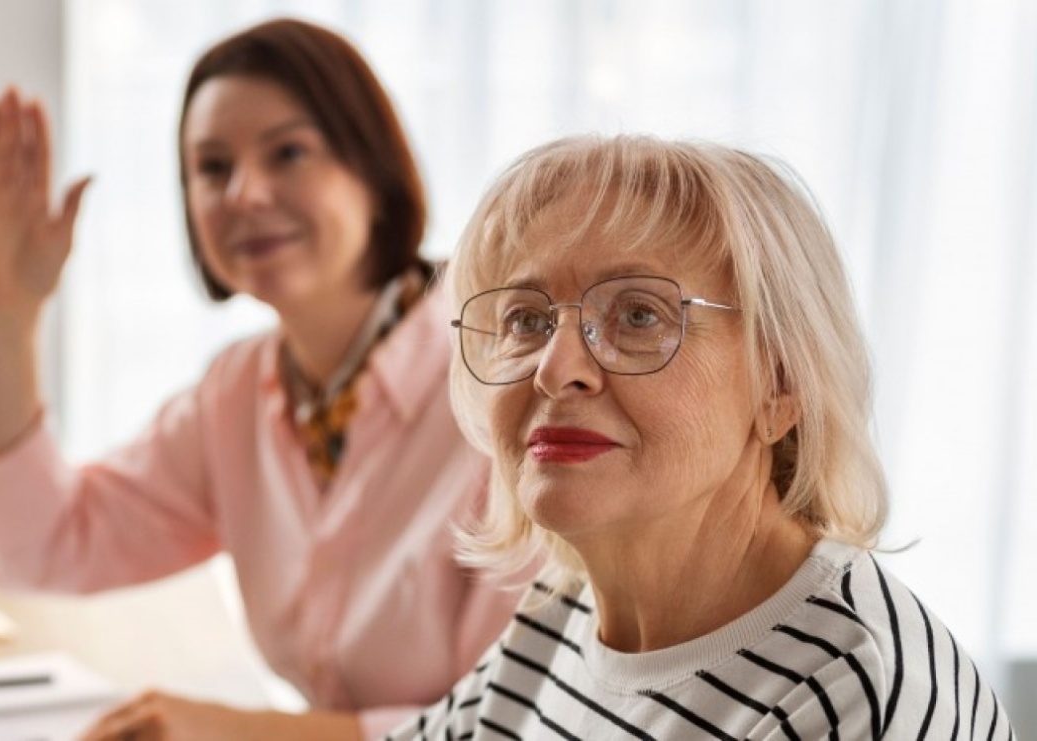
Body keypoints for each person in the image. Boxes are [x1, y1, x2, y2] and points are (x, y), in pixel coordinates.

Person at [0, 18, 520, 741]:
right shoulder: (239, 393)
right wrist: (8, 317)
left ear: (372, 172)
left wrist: (242, 731)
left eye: (288, 153)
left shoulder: (507, 385)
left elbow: (514, 719)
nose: (244, 193)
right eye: (212, 168)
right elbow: (50, 543)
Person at [385, 135, 1014, 739]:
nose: (555, 369)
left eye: (638, 315)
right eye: (527, 319)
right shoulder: (564, 611)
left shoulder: (854, 689)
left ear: (781, 386)